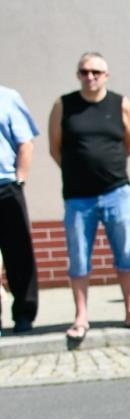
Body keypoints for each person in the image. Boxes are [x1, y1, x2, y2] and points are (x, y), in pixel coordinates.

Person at [48, 52, 130, 338]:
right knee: (79, 257)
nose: (90, 76)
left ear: (106, 75)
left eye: (95, 72)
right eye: (84, 71)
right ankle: (81, 317)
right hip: (78, 198)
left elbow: (129, 144)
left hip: (117, 192)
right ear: (78, 74)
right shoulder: (63, 105)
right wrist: (78, 170)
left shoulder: (120, 103)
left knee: (126, 254)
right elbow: (55, 148)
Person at [0, 84, 40, 335]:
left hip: (6, 186)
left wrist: (20, 179)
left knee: (18, 254)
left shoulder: (8, 98)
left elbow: (25, 142)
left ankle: (24, 314)